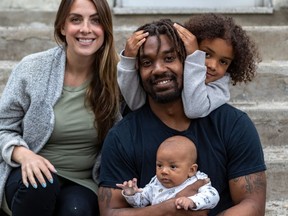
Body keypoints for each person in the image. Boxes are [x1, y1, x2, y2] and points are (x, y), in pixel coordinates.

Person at [98, 18, 266, 215]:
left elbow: (252, 205)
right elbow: (111, 212)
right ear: (138, 70)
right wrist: (169, 208)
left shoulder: (233, 125)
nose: (159, 69)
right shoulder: (123, 136)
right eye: (146, 62)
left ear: (190, 60)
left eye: (169, 58)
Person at [0, 0, 120, 215]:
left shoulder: (117, 76)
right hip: (29, 173)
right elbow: (3, 126)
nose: (86, 29)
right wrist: (25, 155)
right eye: (76, 19)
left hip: (83, 181)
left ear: (105, 28)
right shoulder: (32, 68)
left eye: (95, 20)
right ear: (62, 27)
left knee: (76, 211)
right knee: (41, 185)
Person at [117, 13, 261, 118]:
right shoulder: (173, 75)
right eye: (206, 54)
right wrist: (128, 60)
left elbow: (194, 110)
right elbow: (136, 104)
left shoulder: (218, 87)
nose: (212, 65)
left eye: (223, 62)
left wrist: (195, 58)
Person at [116, 135, 219, 211]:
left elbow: (213, 196)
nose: (164, 171)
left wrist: (192, 201)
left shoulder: (197, 180)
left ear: (191, 170)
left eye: (173, 167)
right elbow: (140, 203)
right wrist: (131, 194)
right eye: (159, 165)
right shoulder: (155, 183)